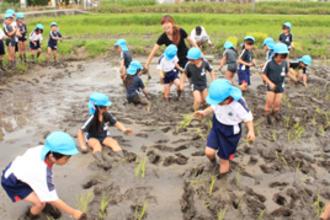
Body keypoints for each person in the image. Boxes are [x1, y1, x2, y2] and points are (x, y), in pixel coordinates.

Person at [1, 131, 86, 220]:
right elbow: (52, 198)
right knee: (40, 203)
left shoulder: (44, 150)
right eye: (66, 158)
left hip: (19, 171)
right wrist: (74, 212)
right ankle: (29, 216)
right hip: (13, 182)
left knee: (43, 193)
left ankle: (43, 205)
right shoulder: (41, 171)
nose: (68, 160)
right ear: (52, 157)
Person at [195, 79, 255, 176]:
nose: (217, 104)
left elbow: (248, 117)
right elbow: (213, 107)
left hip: (230, 132)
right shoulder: (218, 100)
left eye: (219, 102)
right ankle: (213, 163)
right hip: (217, 125)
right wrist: (204, 112)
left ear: (227, 98)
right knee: (209, 152)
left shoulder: (238, 103)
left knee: (223, 160)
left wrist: (251, 131)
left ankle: (223, 179)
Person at [78, 92, 133, 167]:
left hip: (104, 136)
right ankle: (100, 162)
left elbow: (116, 123)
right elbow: (80, 131)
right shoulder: (92, 118)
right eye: (106, 105)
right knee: (97, 145)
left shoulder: (107, 114)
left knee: (113, 143)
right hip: (92, 137)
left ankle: (122, 158)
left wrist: (124, 129)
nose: (108, 107)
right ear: (100, 108)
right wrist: (83, 145)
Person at [261, 43, 297, 124]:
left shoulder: (284, 63)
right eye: (281, 56)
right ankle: (267, 118)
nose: (283, 58)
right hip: (270, 86)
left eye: (285, 56)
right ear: (275, 54)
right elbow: (263, 74)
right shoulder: (269, 63)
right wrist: (269, 83)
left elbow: (287, 73)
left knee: (277, 105)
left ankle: (275, 115)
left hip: (280, 85)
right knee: (269, 104)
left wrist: (293, 78)